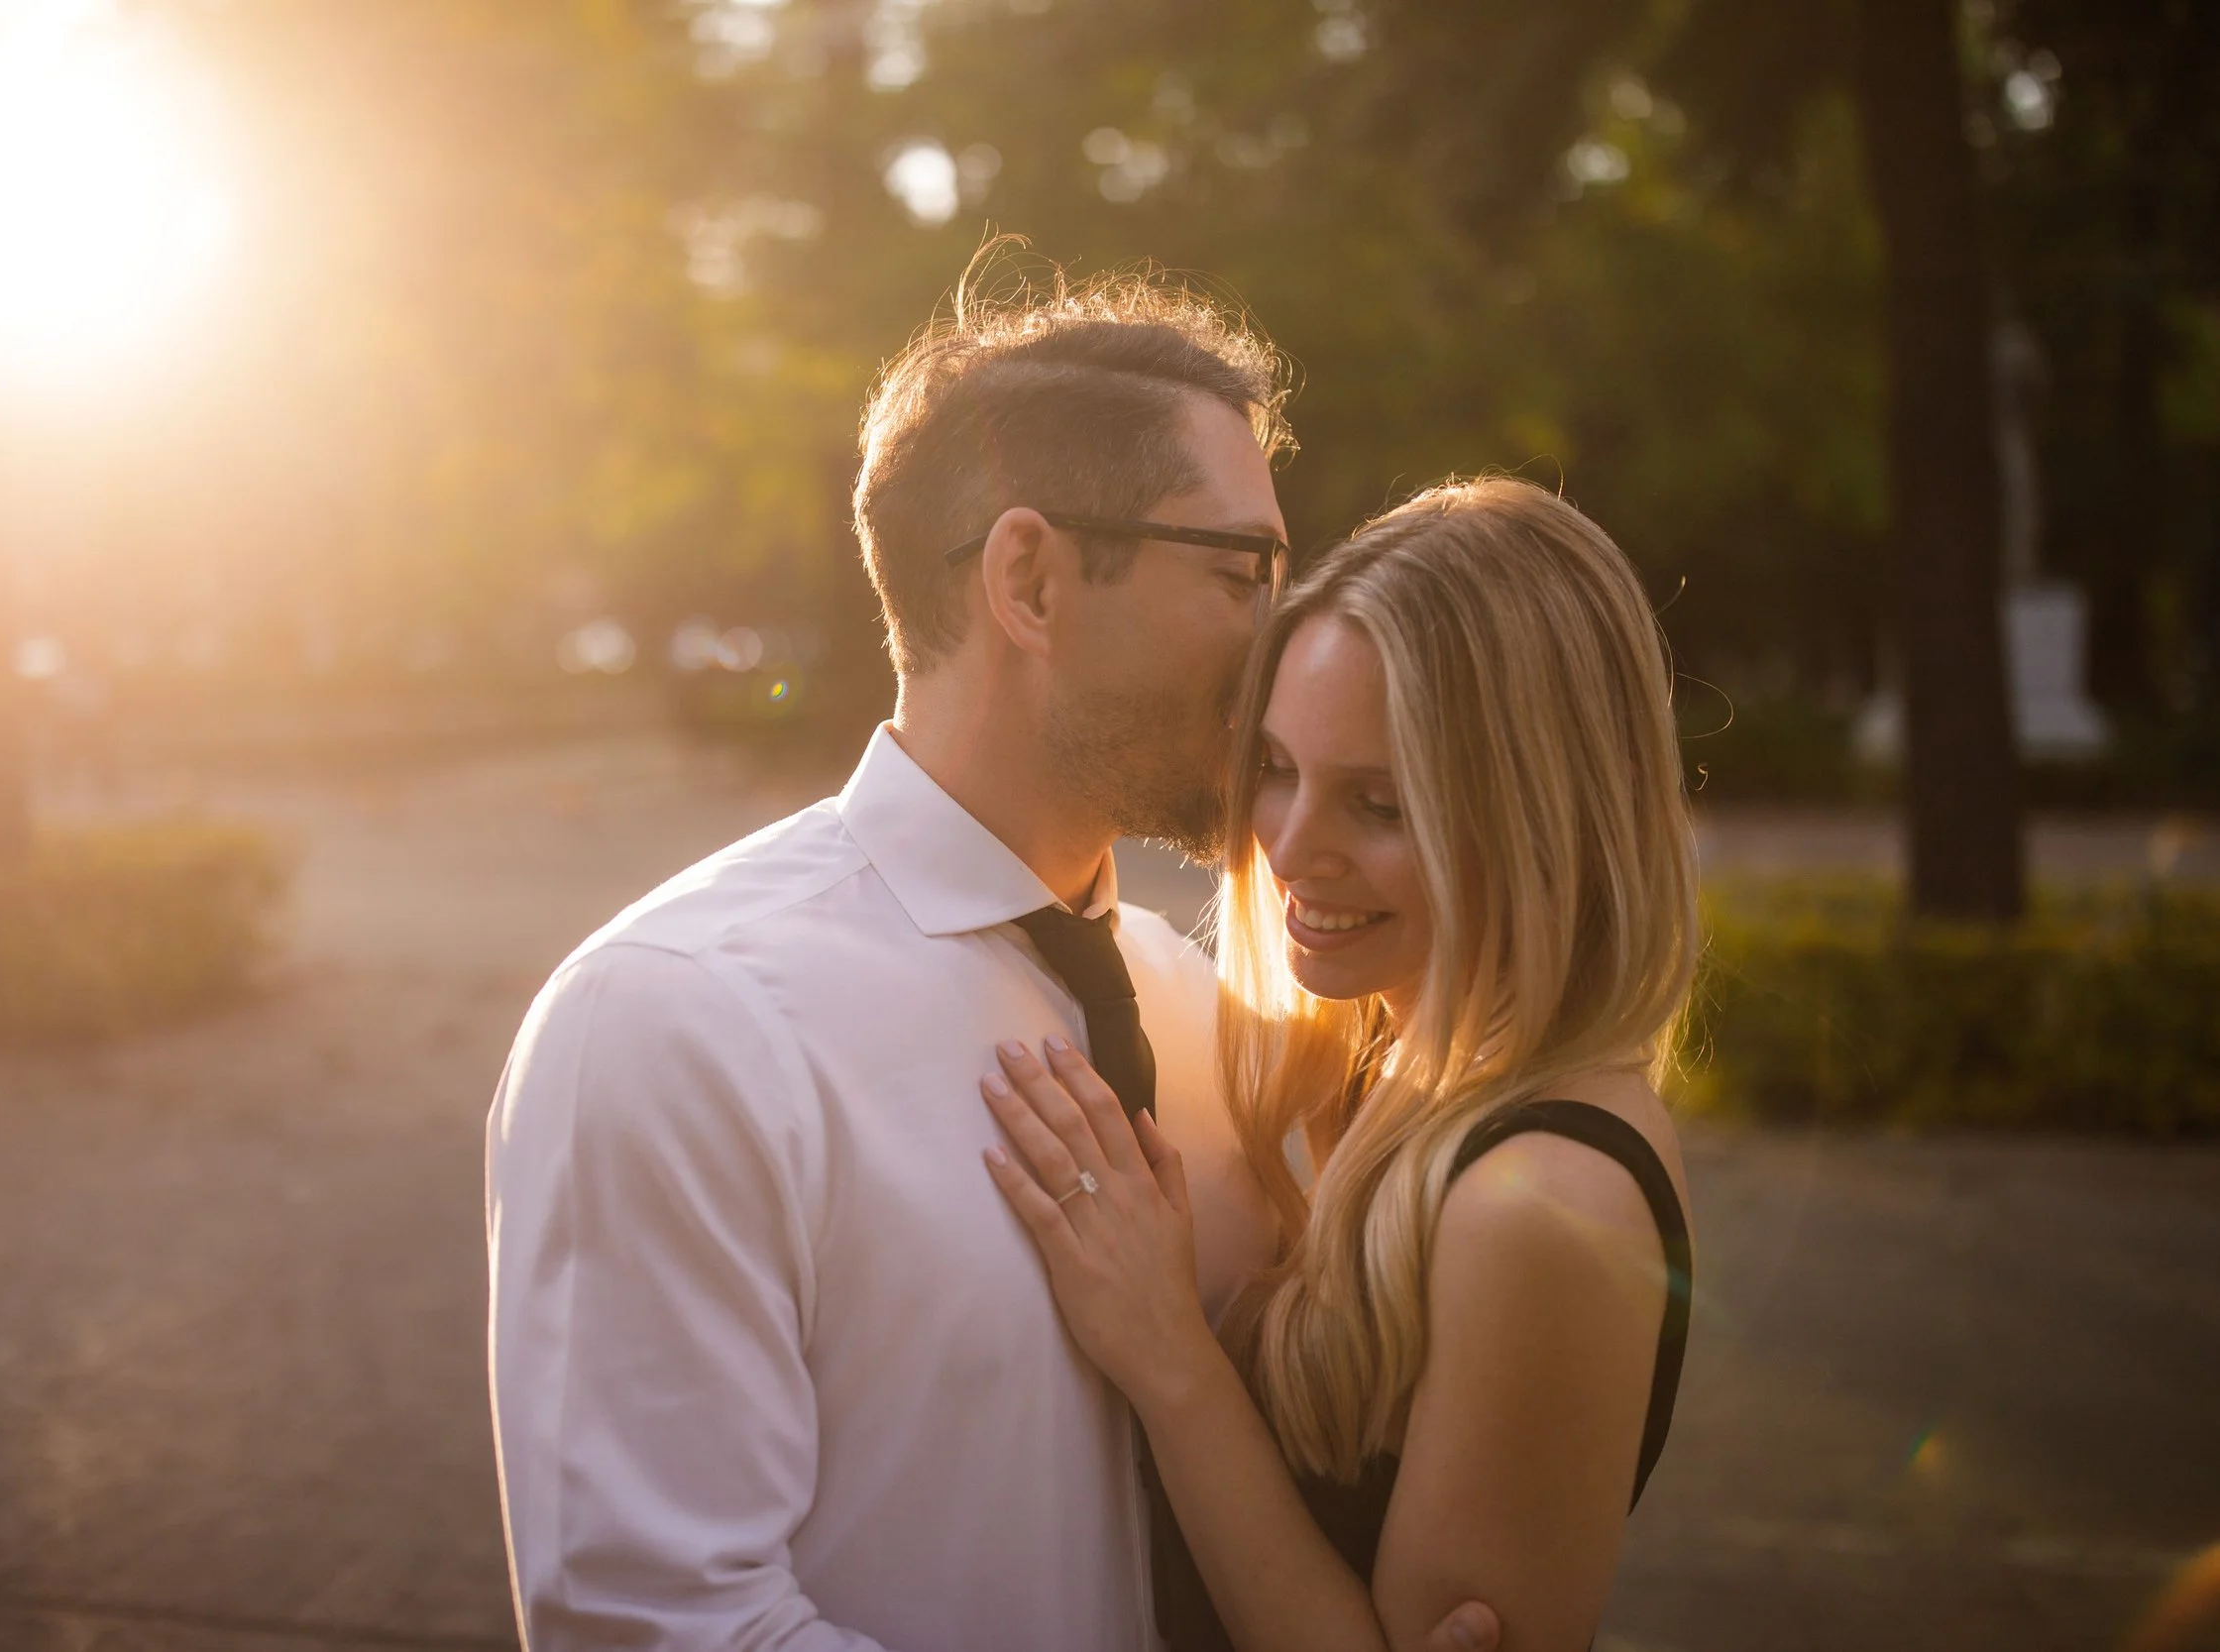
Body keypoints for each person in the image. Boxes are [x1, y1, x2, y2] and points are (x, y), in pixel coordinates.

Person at [487, 256, 1503, 1651]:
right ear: (1029, 577)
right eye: (1240, 574)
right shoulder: (678, 1025)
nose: (1286, 643)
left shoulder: (1205, 1009)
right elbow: (656, 1621)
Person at [979, 477, 1700, 1652]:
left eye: (1377, 801)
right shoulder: (1380, 1070)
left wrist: (1169, 1355)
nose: (1287, 845)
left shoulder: (1543, 1200)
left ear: (1541, 814)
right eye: (1272, 765)